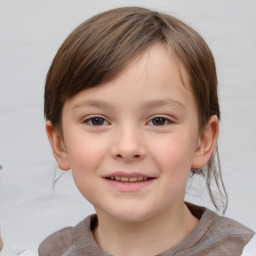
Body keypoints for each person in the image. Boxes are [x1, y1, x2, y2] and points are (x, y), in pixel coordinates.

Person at [38, 6, 255, 256]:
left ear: (202, 141)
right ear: (60, 144)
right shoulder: (51, 251)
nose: (128, 148)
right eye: (97, 121)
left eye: (159, 121)